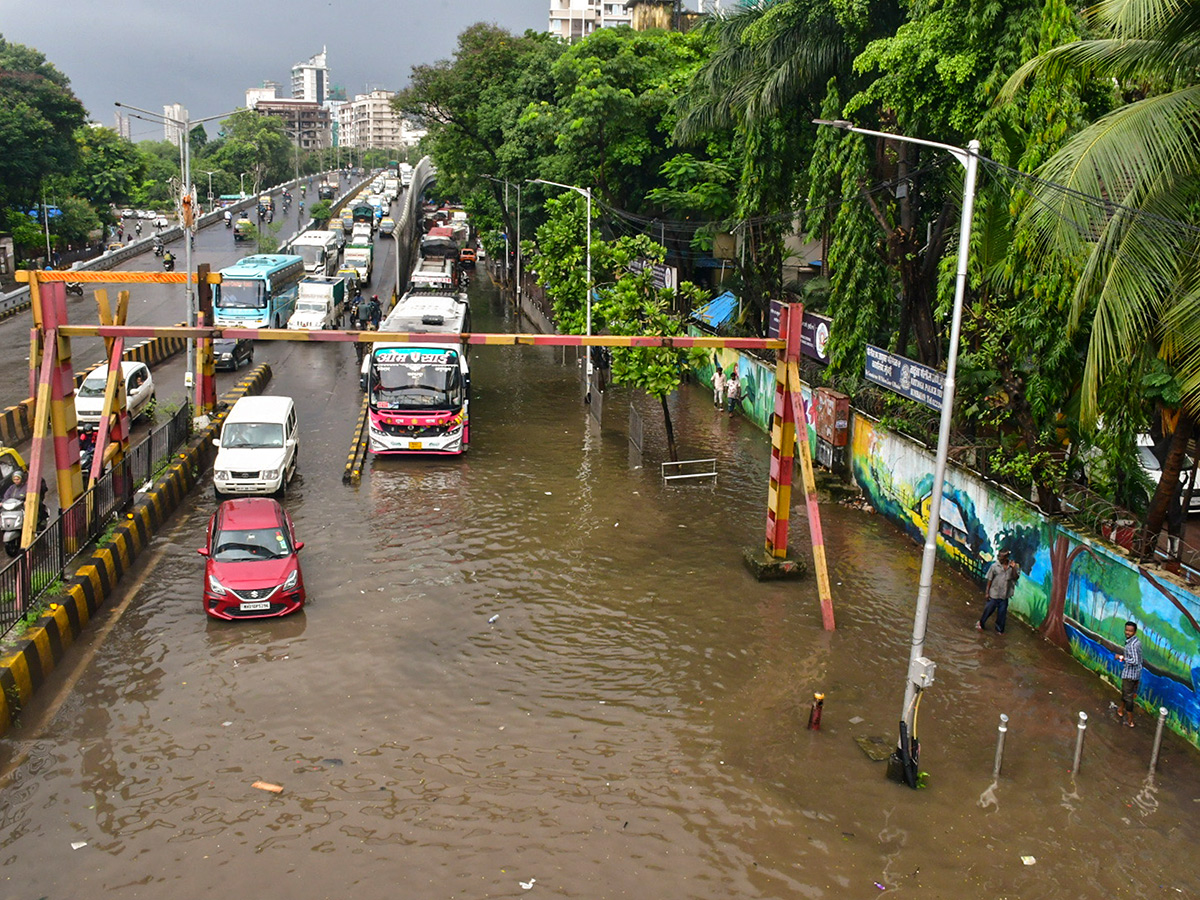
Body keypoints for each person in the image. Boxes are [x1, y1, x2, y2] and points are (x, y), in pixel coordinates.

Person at [978, 549, 1019, 632]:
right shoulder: (994, 566)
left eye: (1002, 557)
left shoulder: (1012, 567)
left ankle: (999, 631)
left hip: (1004, 596)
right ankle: (981, 623)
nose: (1000, 558)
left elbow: (1016, 577)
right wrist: (987, 593)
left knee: (1002, 615)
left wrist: (1014, 568)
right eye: (999, 556)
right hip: (994, 594)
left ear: (1006, 558)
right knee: (988, 611)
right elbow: (989, 579)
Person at [1115, 621, 1143, 727]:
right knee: (1126, 693)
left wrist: (1121, 657)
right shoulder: (1136, 642)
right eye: (1126, 630)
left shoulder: (1132, 645)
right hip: (1135, 674)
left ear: (1134, 632)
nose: (1127, 632)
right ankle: (1120, 709)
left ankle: (1130, 720)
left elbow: (1135, 661)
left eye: (1130, 631)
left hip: (1130, 675)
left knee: (1128, 697)